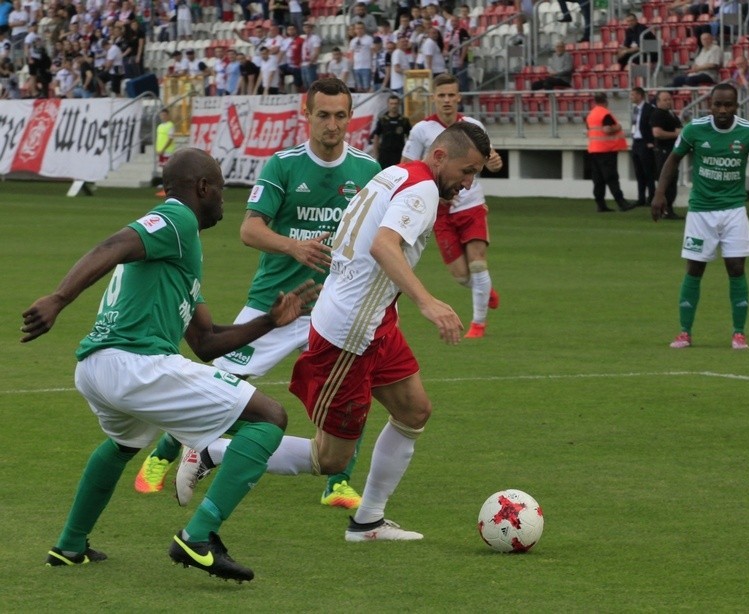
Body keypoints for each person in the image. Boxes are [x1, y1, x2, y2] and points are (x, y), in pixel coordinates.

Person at [22, 147, 320, 582]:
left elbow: (206, 341)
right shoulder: (177, 218)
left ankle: (70, 544)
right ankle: (198, 537)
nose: (224, 199)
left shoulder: (180, 247)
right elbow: (114, 244)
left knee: (123, 445)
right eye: (219, 189)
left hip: (97, 368)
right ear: (202, 188)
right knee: (269, 417)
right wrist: (59, 298)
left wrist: (269, 322)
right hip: (134, 363)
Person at [139, 79, 381, 511]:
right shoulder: (283, 165)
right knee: (222, 382)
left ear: (350, 118)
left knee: (351, 384)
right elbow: (249, 229)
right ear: (306, 115)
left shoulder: (367, 170)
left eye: (340, 116)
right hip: (276, 304)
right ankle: (163, 454)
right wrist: (293, 245)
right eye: (322, 115)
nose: (331, 124)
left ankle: (338, 482)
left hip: (335, 305)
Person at [290, 121, 489, 541]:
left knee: (414, 410)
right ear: (439, 156)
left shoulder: (398, 172)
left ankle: (368, 521)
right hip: (350, 332)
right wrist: (427, 301)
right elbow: (384, 244)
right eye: (466, 171)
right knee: (328, 459)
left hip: (375, 320)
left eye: (475, 175)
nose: (468, 184)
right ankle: (213, 452)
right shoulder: (424, 189)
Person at [651, 83, 749, 350]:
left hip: (734, 210)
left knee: (736, 268)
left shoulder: (748, 132)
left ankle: (739, 333)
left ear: (737, 106)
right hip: (701, 211)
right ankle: (685, 333)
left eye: (728, 105)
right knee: (694, 268)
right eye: (717, 104)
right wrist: (659, 193)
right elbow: (673, 160)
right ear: (709, 104)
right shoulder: (694, 129)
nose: (722, 109)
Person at [401, 73, 503, 339]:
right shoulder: (422, 129)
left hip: (471, 205)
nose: (447, 100)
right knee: (461, 275)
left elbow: (490, 160)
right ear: (434, 98)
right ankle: (485, 290)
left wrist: (495, 164)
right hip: (441, 211)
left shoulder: (472, 125)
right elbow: (407, 166)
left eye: (451, 95)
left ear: (458, 97)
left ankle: (478, 325)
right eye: (442, 95)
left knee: (478, 265)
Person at [586, 92, 634, 213]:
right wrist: (618, 127)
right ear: (606, 101)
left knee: (598, 180)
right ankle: (621, 202)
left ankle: (600, 204)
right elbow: (607, 130)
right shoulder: (605, 113)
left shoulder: (591, 114)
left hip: (594, 149)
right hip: (606, 150)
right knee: (611, 177)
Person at [649, 90, 683, 220]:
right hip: (664, 151)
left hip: (672, 150)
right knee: (666, 180)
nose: (668, 102)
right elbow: (657, 133)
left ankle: (668, 209)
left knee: (672, 180)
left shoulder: (670, 114)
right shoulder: (657, 114)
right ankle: (665, 209)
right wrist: (676, 134)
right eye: (665, 100)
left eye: (669, 99)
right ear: (658, 102)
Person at [630, 86, 656, 208]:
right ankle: (641, 198)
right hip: (636, 143)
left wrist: (651, 141)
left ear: (640, 96)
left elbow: (652, 126)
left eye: (633, 95)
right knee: (638, 172)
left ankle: (651, 197)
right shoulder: (635, 109)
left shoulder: (649, 109)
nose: (631, 97)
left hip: (645, 143)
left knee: (648, 172)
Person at [371, 93, 411, 168]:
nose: (394, 106)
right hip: (384, 155)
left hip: (399, 154)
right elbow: (376, 137)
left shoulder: (404, 120)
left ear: (399, 104)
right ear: (388, 104)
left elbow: (410, 138)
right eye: (391, 103)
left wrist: (408, 154)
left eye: (395, 103)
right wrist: (376, 155)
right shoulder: (382, 120)